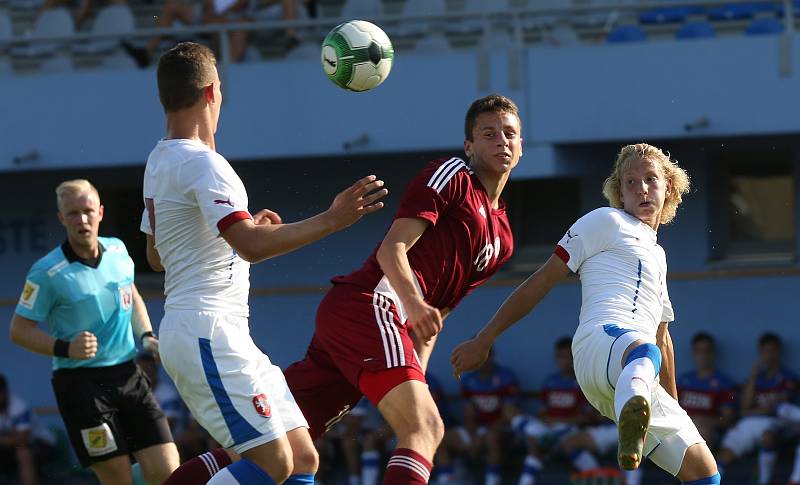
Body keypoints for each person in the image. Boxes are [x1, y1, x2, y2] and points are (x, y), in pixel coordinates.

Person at [143, 41, 387, 485]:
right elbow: (252, 247)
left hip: (217, 329)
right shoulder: (203, 164)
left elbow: (158, 254)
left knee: (302, 457)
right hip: (207, 331)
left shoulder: (161, 159)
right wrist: (332, 220)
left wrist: (238, 229)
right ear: (212, 92)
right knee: (272, 463)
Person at [284, 93, 521, 485]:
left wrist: (417, 376)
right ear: (469, 145)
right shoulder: (453, 175)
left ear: (521, 144)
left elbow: (436, 314)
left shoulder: (504, 240)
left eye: (509, 133)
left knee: (281, 450)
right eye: (489, 134)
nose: (501, 141)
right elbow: (393, 249)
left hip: (362, 322)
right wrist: (412, 303)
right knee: (427, 427)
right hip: (369, 306)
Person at [451, 143, 721, 484]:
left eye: (651, 179)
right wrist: (484, 338)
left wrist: (673, 407)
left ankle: (635, 408)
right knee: (643, 351)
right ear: (619, 193)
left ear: (669, 186)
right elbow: (541, 280)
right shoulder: (604, 220)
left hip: (632, 372)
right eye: (631, 182)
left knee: (706, 475)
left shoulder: (658, 255)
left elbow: (662, 338)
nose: (641, 188)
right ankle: (633, 404)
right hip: (600, 344)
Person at [9, 179, 180, 485]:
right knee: (118, 479)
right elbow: (19, 331)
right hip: (81, 387)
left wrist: (146, 336)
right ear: (61, 218)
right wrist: (65, 347)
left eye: (87, 211)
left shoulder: (118, 249)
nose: (82, 219)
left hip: (129, 375)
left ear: (100, 212)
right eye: (72, 213)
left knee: (167, 469)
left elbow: (132, 294)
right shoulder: (46, 272)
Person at [716, 332, 798, 485]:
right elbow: (744, 408)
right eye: (766, 351)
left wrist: (754, 411)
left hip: (775, 423)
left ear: (779, 352)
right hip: (750, 422)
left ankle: (764, 481)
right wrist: (753, 377)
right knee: (724, 455)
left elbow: (776, 409)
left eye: (773, 350)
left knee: (768, 436)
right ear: (761, 353)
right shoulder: (756, 378)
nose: (769, 355)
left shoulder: (787, 377)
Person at [457, 348, 518, 485]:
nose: (482, 359)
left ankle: (492, 481)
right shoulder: (467, 380)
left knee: (491, 438)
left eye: (485, 354)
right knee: (447, 440)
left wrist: (485, 433)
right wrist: (473, 437)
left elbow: (507, 414)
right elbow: (469, 414)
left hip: (503, 429)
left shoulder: (506, 377)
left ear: (492, 355)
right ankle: (449, 480)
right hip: (478, 430)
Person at [676, 332, 737, 450]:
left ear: (713, 353)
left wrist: (708, 421)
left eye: (706, 351)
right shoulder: (684, 380)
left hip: (708, 430)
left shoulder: (724, 382)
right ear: (694, 354)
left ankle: (705, 468)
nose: (703, 355)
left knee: (702, 431)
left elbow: (728, 419)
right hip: (682, 427)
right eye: (699, 351)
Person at [0, 374, 56, 485]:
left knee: (22, 451)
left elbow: (22, 438)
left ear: (3, 393)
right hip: (9, 446)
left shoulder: (17, 406)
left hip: (41, 444)